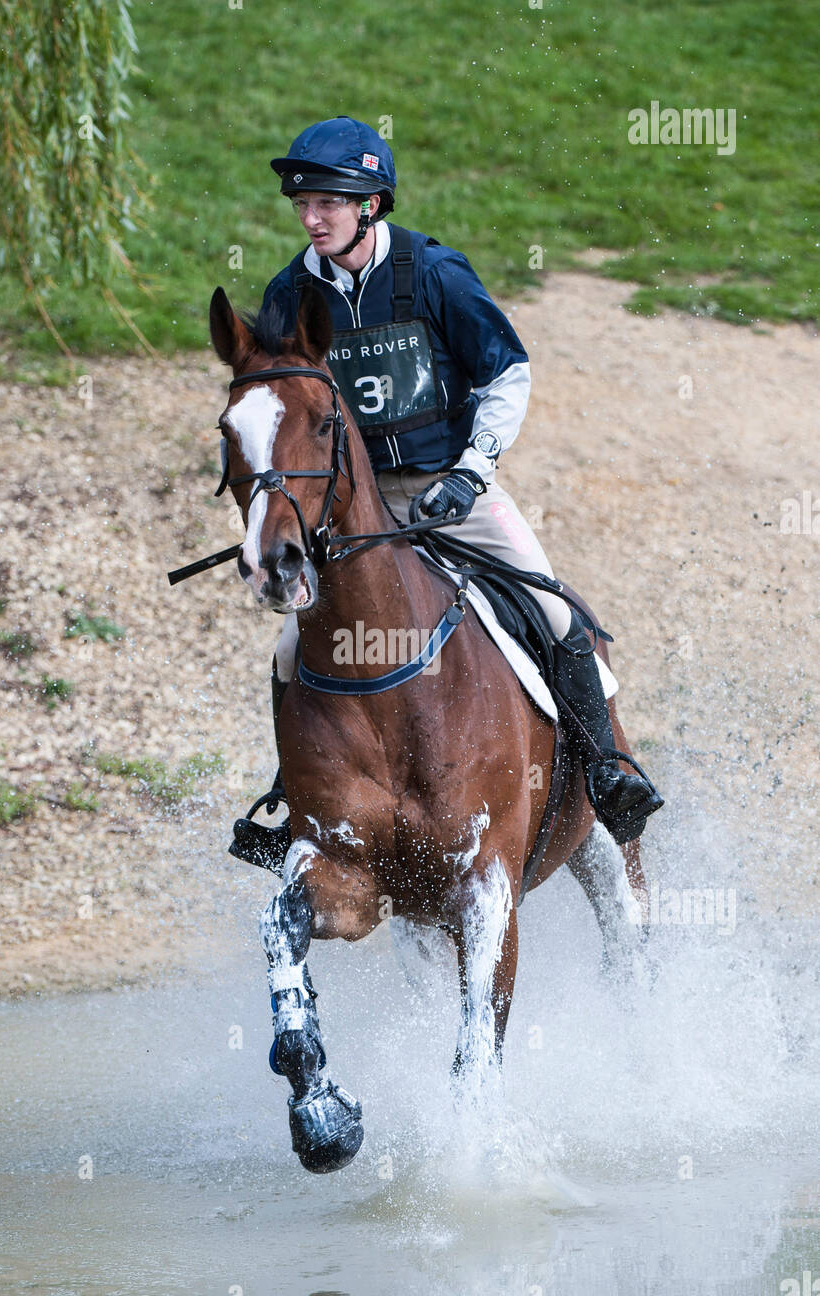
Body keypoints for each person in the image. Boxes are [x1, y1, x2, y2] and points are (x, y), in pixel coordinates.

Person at [232, 116, 662, 871]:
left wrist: (471, 471)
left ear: (371, 204)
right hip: (353, 511)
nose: (311, 217)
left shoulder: (432, 272)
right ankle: (290, 802)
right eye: (302, 203)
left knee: (558, 615)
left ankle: (608, 770)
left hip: (452, 488)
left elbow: (508, 375)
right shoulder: (288, 292)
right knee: (290, 651)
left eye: (328, 202)